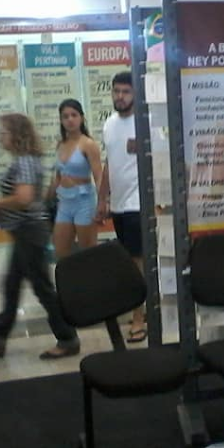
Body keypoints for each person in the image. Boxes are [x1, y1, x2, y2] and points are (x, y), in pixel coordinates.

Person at [0, 113, 80, 360]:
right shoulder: (24, 160)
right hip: (25, 232)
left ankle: (68, 338)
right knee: (12, 284)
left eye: (3, 132)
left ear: (16, 135)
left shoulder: (25, 161)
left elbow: (24, 198)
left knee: (42, 288)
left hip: (29, 232)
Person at [95, 71, 146, 343]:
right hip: (118, 204)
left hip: (139, 203)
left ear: (136, 93)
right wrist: (102, 198)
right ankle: (140, 309)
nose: (120, 96)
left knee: (138, 262)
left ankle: (139, 318)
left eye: (126, 92)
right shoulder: (109, 124)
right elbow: (109, 163)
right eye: (116, 91)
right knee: (129, 260)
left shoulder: (145, 122)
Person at [46, 99, 103, 259]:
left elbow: (98, 176)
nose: (70, 120)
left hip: (83, 201)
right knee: (60, 251)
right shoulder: (61, 144)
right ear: (61, 120)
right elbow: (57, 176)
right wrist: (46, 199)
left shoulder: (88, 144)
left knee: (88, 253)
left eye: (74, 115)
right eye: (65, 116)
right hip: (64, 202)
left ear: (81, 118)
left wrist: (102, 203)